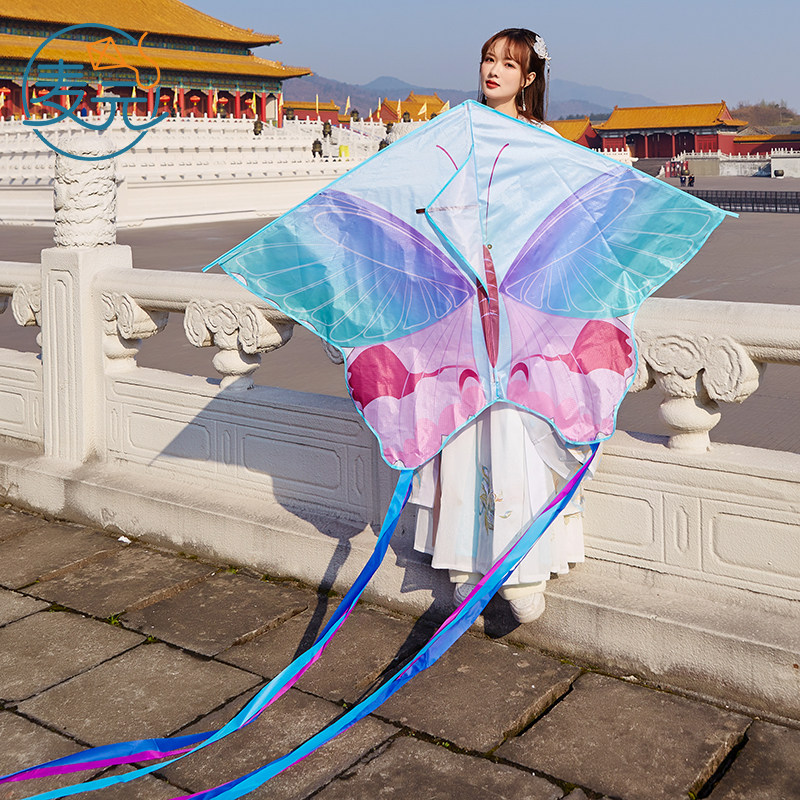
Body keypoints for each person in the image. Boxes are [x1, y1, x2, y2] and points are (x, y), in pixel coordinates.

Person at [410, 28, 597, 624]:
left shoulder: (545, 143)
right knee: (467, 423)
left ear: (529, 78)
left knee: (518, 423)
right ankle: (467, 562)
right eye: (488, 60)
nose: (493, 71)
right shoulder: (454, 134)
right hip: (465, 303)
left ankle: (525, 565)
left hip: (523, 309)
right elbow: (429, 206)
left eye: (508, 64)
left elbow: (567, 224)